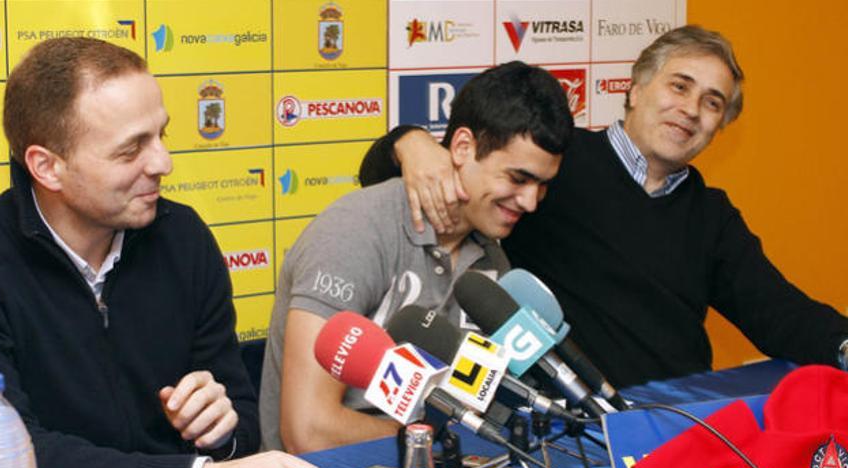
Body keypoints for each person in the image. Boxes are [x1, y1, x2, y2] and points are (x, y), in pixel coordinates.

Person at [360, 25, 848, 387]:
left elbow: (783, 314)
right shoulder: (553, 163)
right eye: (679, 86)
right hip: (565, 423)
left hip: (677, 417)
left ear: (719, 126)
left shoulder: (712, 217)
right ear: (634, 89)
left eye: (713, 102)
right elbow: (390, 178)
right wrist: (409, 142)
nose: (692, 109)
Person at [0, 38, 333, 468]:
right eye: (130, 150)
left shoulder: (183, 237)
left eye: (162, 134)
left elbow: (240, 426)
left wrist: (221, 434)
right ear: (47, 167)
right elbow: (5, 456)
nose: (164, 162)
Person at [259, 61, 574, 453]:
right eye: (518, 179)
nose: (530, 202)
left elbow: (482, 405)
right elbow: (308, 432)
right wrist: (438, 439)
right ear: (462, 148)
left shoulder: (492, 257)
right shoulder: (355, 232)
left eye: (542, 185)